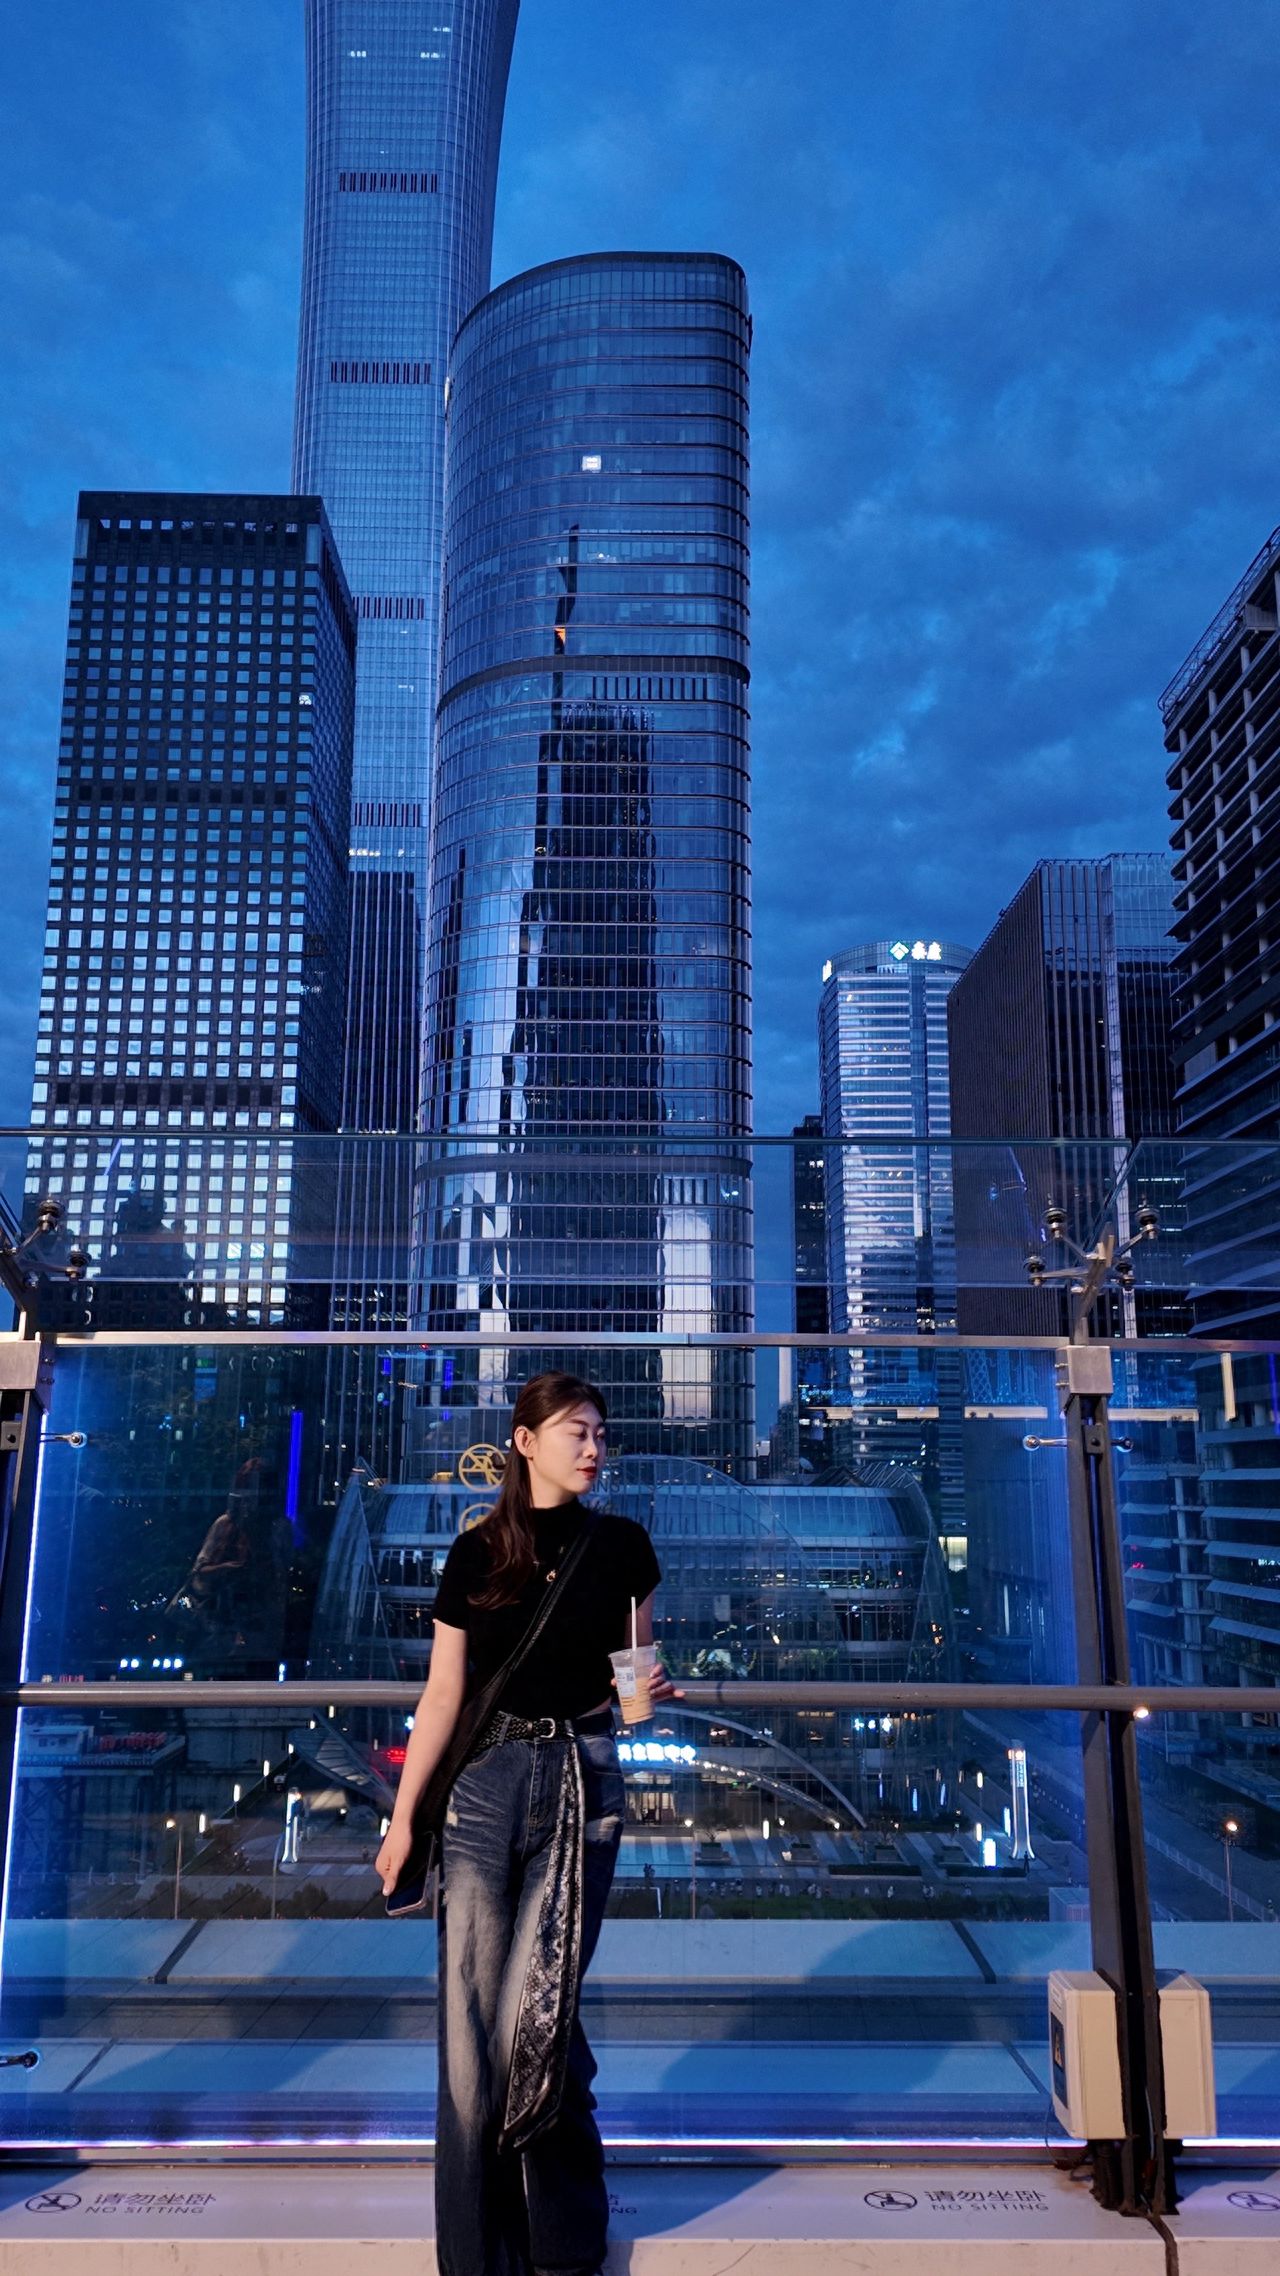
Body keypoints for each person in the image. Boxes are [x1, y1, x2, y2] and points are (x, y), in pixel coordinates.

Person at [376, 1371, 677, 2276]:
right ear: (524, 1440)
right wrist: (402, 1823)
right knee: (468, 2029)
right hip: (482, 1786)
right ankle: (479, 2258)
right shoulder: (477, 1553)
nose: (593, 1447)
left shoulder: (623, 1546)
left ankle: (561, 2245)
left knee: (533, 2019)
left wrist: (651, 1693)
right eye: (574, 1431)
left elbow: (632, 1699)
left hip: (583, 1781)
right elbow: (443, 1695)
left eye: (599, 1433)